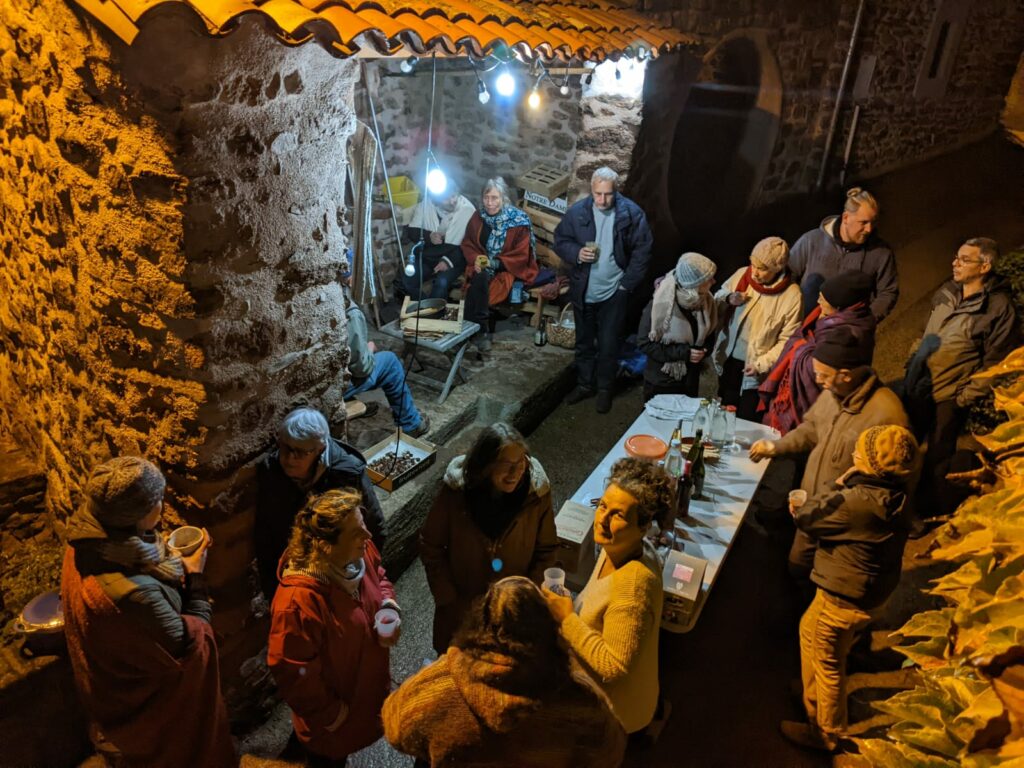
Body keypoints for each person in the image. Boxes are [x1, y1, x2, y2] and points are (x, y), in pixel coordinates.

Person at [61, 457, 236, 768]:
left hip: (105, 692)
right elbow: (190, 646)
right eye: (158, 500)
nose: (163, 504)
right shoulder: (135, 594)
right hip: (148, 710)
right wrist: (195, 575)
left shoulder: (87, 541)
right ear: (136, 516)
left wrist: (165, 562)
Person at [382, 576, 626, 768]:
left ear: (480, 622)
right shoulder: (578, 698)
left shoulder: (442, 682)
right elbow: (611, 750)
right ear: (548, 630)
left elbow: (395, 724)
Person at [781, 425, 918, 752]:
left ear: (872, 464)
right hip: (869, 592)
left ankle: (825, 733)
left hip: (842, 596)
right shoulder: (896, 494)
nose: (855, 453)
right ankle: (809, 693)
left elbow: (810, 519)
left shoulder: (857, 502)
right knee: (815, 637)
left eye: (860, 450)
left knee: (826, 658)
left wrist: (837, 482)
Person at [749, 325, 909, 580]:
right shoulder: (834, 392)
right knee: (797, 565)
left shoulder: (887, 415)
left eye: (823, 375)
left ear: (845, 375)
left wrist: (839, 513)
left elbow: (888, 487)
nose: (817, 381)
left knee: (817, 577)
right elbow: (812, 428)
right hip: (812, 508)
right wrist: (776, 447)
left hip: (840, 521)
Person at [268, 489, 399, 767]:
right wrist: (331, 715)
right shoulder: (296, 603)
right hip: (332, 727)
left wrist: (387, 604)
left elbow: (380, 575)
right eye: (357, 534)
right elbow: (292, 671)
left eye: (363, 526)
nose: (369, 537)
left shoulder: (359, 555)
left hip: (363, 693)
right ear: (327, 547)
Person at [543, 457, 671, 736]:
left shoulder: (634, 587)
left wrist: (566, 618)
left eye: (619, 515)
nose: (603, 519)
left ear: (643, 526)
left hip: (613, 712)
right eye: (603, 506)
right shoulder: (621, 547)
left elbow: (613, 666)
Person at [902, 237, 1019, 518]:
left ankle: (925, 514)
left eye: (965, 260)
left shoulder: (998, 309)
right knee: (904, 449)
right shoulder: (947, 291)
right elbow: (925, 330)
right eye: (956, 257)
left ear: (984, 266)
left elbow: (995, 362)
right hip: (918, 386)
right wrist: (913, 360)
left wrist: (963, 397)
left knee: (937, 459)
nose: (955, 263)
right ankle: (899, 506)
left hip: (948, 398)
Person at [420, 423, 557, 655]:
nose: (515, 473)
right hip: (462, 608)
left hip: (511, 612)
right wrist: (447, 597)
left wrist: (524, 599)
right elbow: (430, 543)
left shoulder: (535, 496)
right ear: (485, 466)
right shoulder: (457, 493)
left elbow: (547, 550)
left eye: (520, 463)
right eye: (506, 465)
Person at [255, 407, 385, 601]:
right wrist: (274, 593)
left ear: (320, 450)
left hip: (339, 577)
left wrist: (362, 581)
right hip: (298, 578)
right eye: (286, 447)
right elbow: (266, 537)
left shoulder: (346, 474)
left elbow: (374, 527)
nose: (289, 459)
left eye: (300, 452)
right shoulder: (272, 473)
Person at [554, 167, 654, 414]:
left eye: (607, 194)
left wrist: (626, 285)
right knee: (584, 342)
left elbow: (643, 251)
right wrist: (576, 253)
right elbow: (561, 240)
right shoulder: (578, 212)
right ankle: (584, 384)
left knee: (609, 344)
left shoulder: (631, 213)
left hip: (614, 291)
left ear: (615, 191)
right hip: (584, 289)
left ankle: (604, 390)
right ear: (591, 190)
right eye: (597, 194)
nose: (602, 200)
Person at [758, 271, 877, 435]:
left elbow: (822, 367)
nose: (818, 301)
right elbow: (801, 336)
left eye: (823, 299)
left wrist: (801, 347)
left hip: (818, 397)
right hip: (788, 391)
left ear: (839, 306)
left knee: (800, 437)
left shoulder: (854, 332)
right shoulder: (828, 317)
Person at [713, 236, 802, 421]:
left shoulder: (792, 296)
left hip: (754, 369)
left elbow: (787, 340)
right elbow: (718, 295)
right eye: (753, 264)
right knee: (722, 411)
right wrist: (729, 297)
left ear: (778, 268)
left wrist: (762, 364)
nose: (755, 273)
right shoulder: (742, 275)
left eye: (762, 269)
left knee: (746, 416)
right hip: (728, 359)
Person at [788, 187, 899, 322]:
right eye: (863, 222)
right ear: (846, 217)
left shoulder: (881, 254)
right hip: (803, 329)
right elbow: (788, 277)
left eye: (873, 222)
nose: (869, 229)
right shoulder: (811, 241)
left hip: (846, 337)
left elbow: (888, 293)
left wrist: (863, 323)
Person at [460, 177, 539, 352]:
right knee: (479, 278)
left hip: (508, 267)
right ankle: (481, 330)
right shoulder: (478, 217)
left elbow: (522, 255)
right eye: (486, 197)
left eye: (495, 198)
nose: (489, 203)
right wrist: (477, 260)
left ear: (504, 198)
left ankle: (472, 330)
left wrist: (494, 263)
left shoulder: (518, 221)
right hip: (482, 264)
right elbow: (468, 243)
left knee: (477, 286)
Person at [343, 280, 430, 438]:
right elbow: (362, 368)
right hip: (335, 387)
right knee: (389, 361)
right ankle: (411, 423)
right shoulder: (348, 310)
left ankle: (350, 402)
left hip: (309, 387)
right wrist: (369, 348)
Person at [637, 252, 718, 402]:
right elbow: (644, 343)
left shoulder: (706, 301)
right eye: (708, 279)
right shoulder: (659, 305)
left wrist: (705, 349)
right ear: (693, 284)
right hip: (663, 380)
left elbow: (709, 334)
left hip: (690, 378)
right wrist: (684, 353)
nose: (714, 281)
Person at [402, 183, 475, 300]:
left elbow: (469, 245)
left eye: (454, 196)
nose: (452, 201)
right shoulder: (427, 205)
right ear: (436, 200)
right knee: (408, 280)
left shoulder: (467, 210)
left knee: (441, 283)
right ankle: (424, 308)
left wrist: (448, 261)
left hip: (455, 257)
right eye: (446, 198)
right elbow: (413, 231)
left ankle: (436, 313)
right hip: (430, 255)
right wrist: (429, 236)